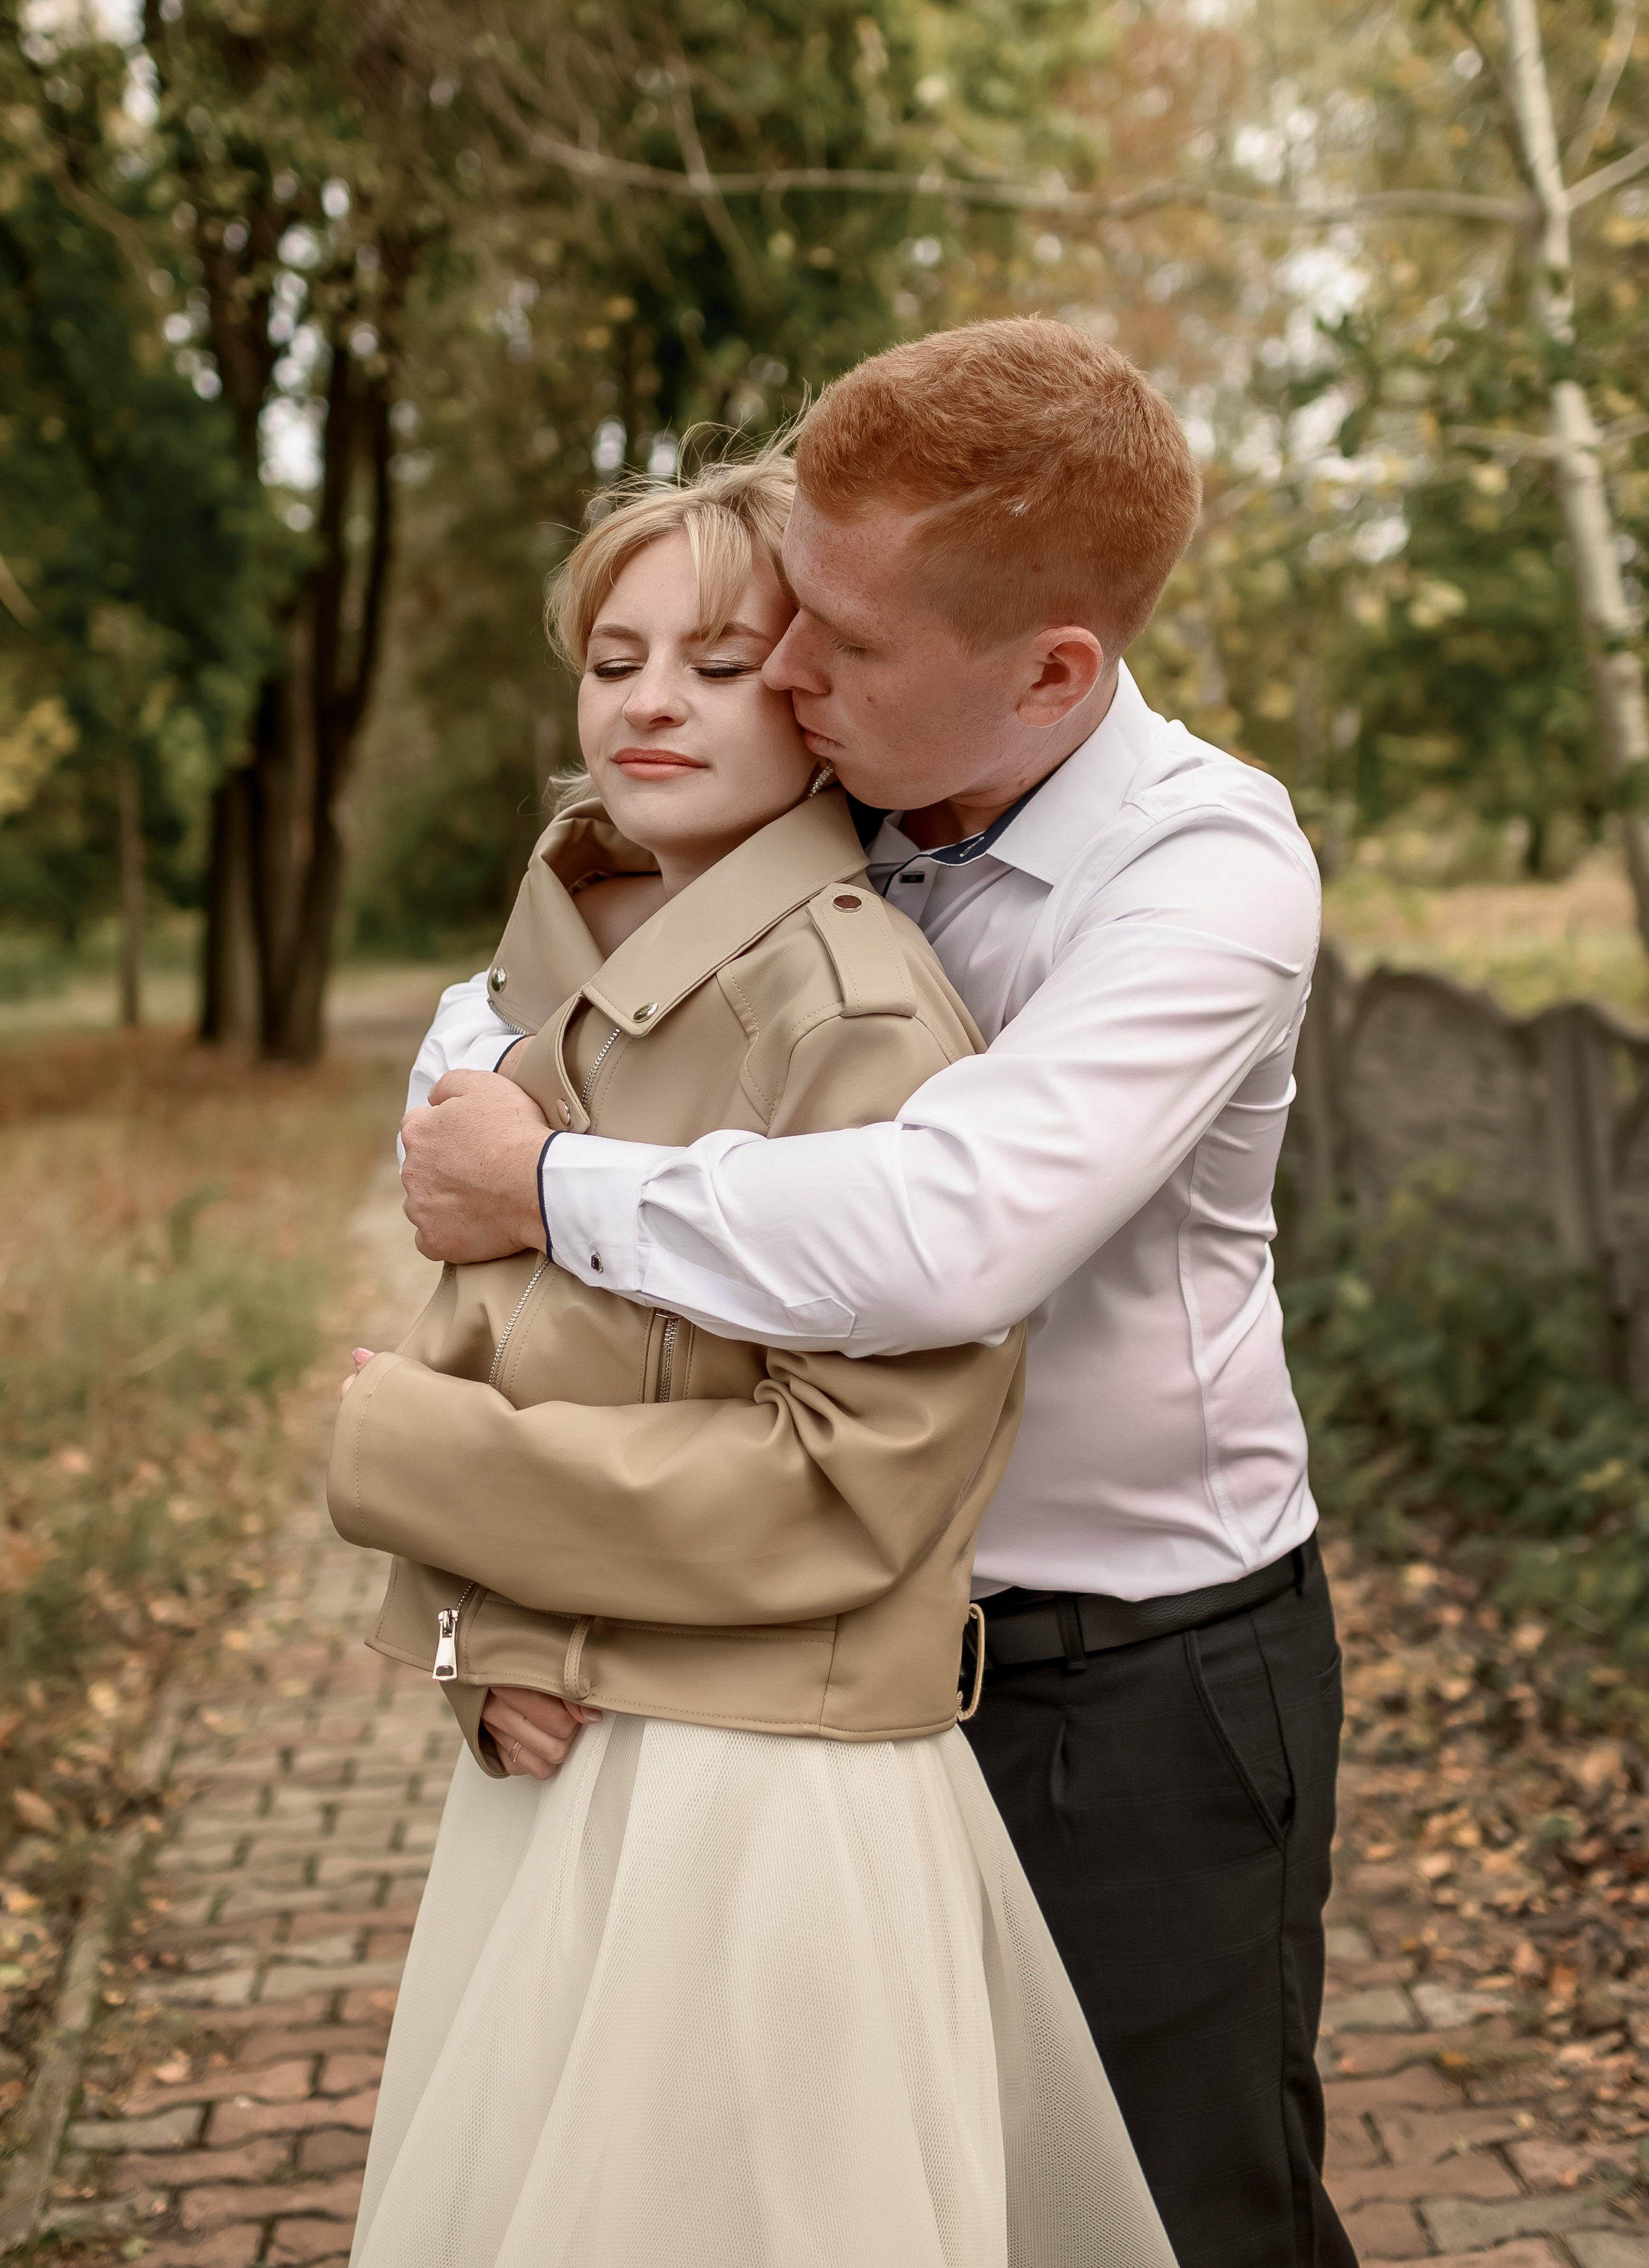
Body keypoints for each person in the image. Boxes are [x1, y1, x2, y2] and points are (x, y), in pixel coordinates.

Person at [403, 318, 1351, 2268]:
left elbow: (946, 1236)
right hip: (785, 1676)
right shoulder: (821, 817)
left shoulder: (1202, 876)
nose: (791, 670)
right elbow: (531, 1009)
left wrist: (551, 1182)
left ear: (1053, 673)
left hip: (1120, 1691)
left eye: (834, 639)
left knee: (1169, 2222)